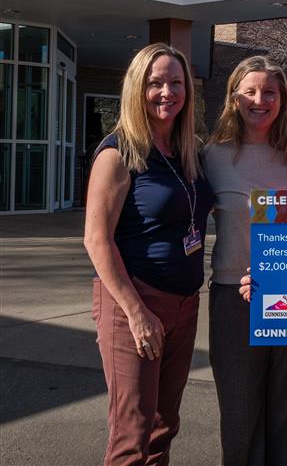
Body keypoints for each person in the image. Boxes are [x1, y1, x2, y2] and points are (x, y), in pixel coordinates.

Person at [84, 43, 214, 466]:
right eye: (155, 83)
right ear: (137, 88)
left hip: (184, 304)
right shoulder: (119, 151)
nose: (166, 92)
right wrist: (137, 312)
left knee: (163, 425)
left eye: (175, 83)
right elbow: (96, 240)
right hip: (135, 302)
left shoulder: (185, 149)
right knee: (132, 432)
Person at [203, 55, 287, 466]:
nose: (259, 99)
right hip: (233, 298)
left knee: (284, 412)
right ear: (234, 98)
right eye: (249, 91)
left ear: (282, 99)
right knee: (239, 414)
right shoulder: (212, 156)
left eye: (269, 92)